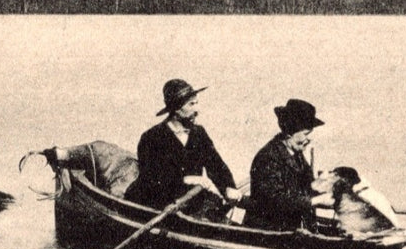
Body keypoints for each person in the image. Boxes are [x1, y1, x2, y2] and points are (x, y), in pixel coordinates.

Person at [124, 78, 241, 219]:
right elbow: (152, 180)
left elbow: (216, 166)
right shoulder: (152, 138)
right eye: (191, 104)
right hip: (157, 205)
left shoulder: (199, 133)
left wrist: (228, 188)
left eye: (196, 103)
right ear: (176, 108)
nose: (197, 110)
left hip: (191, 203)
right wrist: (186, 180)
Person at [246, 98, 324, 231]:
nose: (308, 139)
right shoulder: (267, 157)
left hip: (289, 230)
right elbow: (275, 199)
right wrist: (313, 201)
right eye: (306, 134)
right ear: (289, 134)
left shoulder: (297, 156)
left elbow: (307, 188)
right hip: (267, 232)